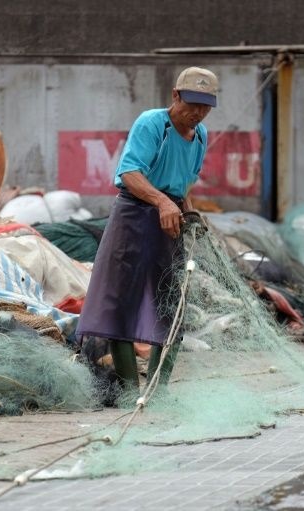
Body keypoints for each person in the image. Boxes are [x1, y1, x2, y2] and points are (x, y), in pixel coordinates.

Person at [76, 66, 218, 396]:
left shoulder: (201, 135)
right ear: (176, 96)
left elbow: (184, 182)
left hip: (169, 219)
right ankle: (128, 391)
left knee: (171, 301)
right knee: (117, 302)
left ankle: (157, 391)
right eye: (191, 104)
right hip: (134, 213)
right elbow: (130, 172)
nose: (196, 113)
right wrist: (161, 202)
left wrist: (187, 209)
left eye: (204, 107)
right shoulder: (153, 123)